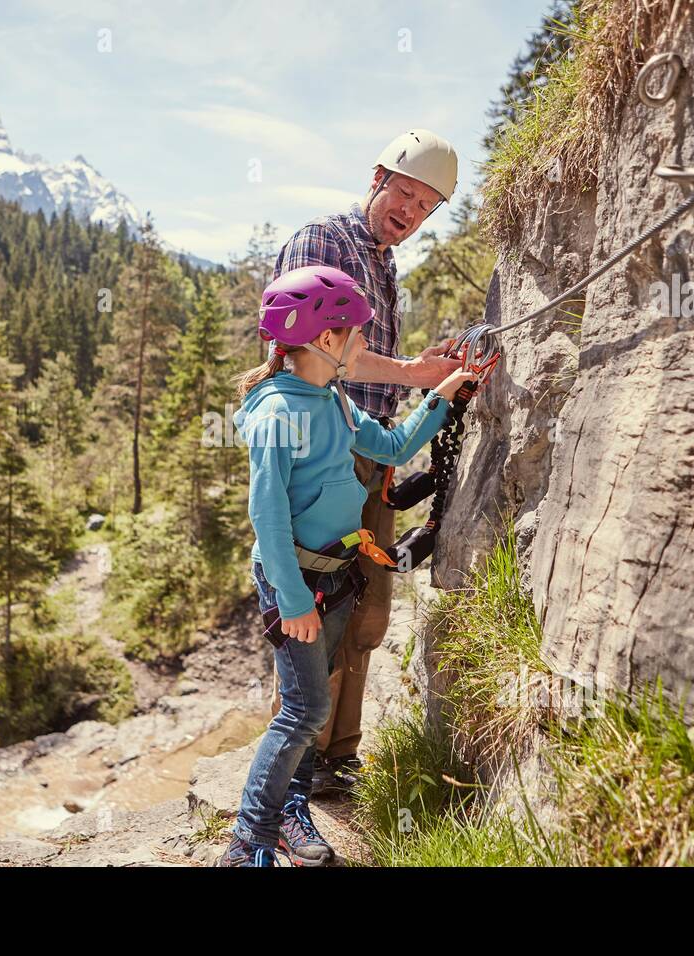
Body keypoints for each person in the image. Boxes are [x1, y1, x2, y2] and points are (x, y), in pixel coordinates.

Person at [217, 265, 483, 867]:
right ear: (326, 340)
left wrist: (440, 399)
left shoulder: (330, 398)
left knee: (316, 695)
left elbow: (390, 449)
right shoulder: (278, 412)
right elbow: (268, 517)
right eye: (358, 334)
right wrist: (291, 600)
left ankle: (291, 812)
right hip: (298, 581)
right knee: (305, 708)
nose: (364, 345)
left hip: (332, 575)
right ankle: (247, 842)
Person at [268, 129, 463, 796]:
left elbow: (368, 368)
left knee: (367, 614)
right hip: (323, 452)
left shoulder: (381, 261)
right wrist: (415, 371)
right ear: (377, 176)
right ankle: (295, 767)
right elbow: (319, 347)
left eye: (425, 205)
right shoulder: (326, 242)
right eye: (404, 193)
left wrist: (424, 380)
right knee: (320, 613)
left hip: (367, 453)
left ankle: (335, 759)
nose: (409, 211)